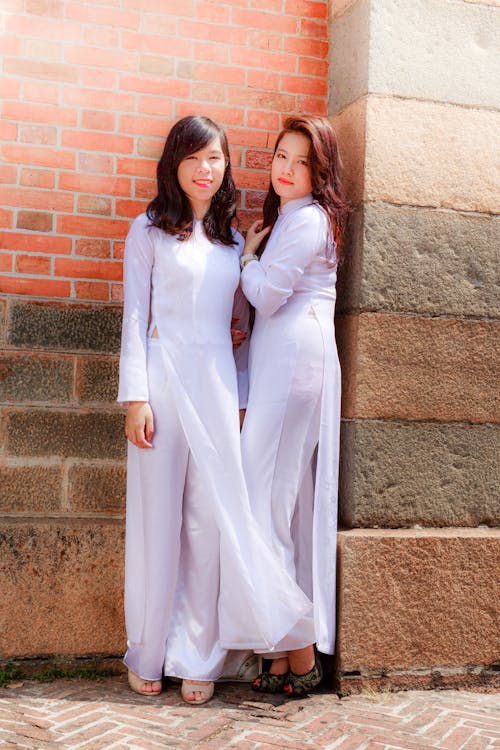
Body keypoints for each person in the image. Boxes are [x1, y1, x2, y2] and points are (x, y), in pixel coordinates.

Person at [117, 115, 313, 705]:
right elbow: (133, 318)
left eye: (217, 159)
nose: (206, 170)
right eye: (195, 158)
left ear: (226, 167)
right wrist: (136, 399)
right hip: (162, 382)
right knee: (157, 522)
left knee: (208, 524)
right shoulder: (147, 232)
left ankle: (199, 657)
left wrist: (244, 396)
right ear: (174, 164)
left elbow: (241, 326)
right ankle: (148, 651)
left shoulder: (233, 241)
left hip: (219, 388)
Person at [239, 115, 349, 696]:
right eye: (281, 155)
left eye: (301, 161)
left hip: (294, 364)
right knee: (271, 505)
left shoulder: (306, 222)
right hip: (286, 363)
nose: (286, 168)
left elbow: (267, 296)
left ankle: (300, 648)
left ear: (320, 169)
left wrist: (247, 261)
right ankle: (281, 652)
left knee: (262, 504)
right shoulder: (292, 219)